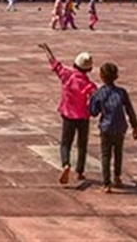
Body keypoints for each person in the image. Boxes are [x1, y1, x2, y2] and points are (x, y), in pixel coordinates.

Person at [38, 43, 96, 185]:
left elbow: (55, 65)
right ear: (89, 69)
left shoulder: (67, 76)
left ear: (75, 64)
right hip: (83, 117)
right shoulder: (89, 85)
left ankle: (66, 164)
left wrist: (47, 50)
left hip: (68, 115)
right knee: (82, 144)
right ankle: (80, 171)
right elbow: (96, 99)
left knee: (65, 143)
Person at [88, 61, 137, 192]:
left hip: (106, 127)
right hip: (120, 127)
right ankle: (117, 177)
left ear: (101, 76)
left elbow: (93, 112)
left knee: (106, 155)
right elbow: (129, 110)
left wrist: (89, 102)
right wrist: (135, 127)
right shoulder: (122, 92)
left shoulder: (98, 93)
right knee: (118, 153)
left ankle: (106, 183)